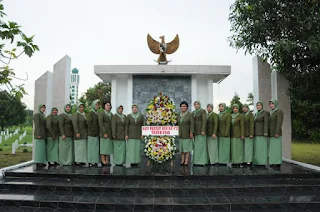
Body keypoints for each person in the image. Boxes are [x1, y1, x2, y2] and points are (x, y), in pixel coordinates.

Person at [177, 101, 194, 166]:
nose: (183, 107)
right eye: (182, 106)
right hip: (180, 133)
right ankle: (182, 160)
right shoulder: (178, 114)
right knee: (181, 148)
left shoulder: (190, 114)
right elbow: (176, 123)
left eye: (184, 106)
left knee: (187, 148)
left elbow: (192, 124)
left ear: (187, 107)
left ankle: (186, 161)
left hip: (187, 133)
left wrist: (191, 132)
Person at [253, 101, 269, 166]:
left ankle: (262, 162)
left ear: (262, 106)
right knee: (257, 148)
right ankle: (257, 161)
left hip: (262, 133)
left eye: (259, 105)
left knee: (262, 148)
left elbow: (266, 123)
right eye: (257, 105)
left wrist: (265, 132)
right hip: (256, 133)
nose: (258, 106)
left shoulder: (265, 113)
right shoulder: (256, 113)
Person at [269, 99, 284, 167]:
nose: (271, 105)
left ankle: (277, 163)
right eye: (270, 104)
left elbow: (279, 123)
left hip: (276, 133)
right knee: (273, 149)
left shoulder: (279, 111)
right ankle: (273, 161)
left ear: (276, 104)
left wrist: (277, 132)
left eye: (272, 103)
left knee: (277, 149)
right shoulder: (271, 112)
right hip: (271, 134)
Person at [192, 101, 208, 166]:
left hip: (201, 132)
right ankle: (196, 161)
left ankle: (202, 161)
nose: (196, 105)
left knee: (201, 147)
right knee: (196, 147)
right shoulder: (193, 112)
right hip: (195, 132)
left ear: (200, 105)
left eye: (197, 104)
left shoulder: (202, 111)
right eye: (195, 104)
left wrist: (203, 130)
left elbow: (204, 121)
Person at [87, 99, 100, 166]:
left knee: (95, 148)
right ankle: (91, 161)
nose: (97, 106)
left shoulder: (97, 113)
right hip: (91, 134)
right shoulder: (90, 113)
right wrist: (94, 131)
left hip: (96, 134)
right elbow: (89, 123)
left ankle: (94, 161)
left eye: (98, 105)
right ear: (93, 105)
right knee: (91, 148)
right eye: (96, 105)